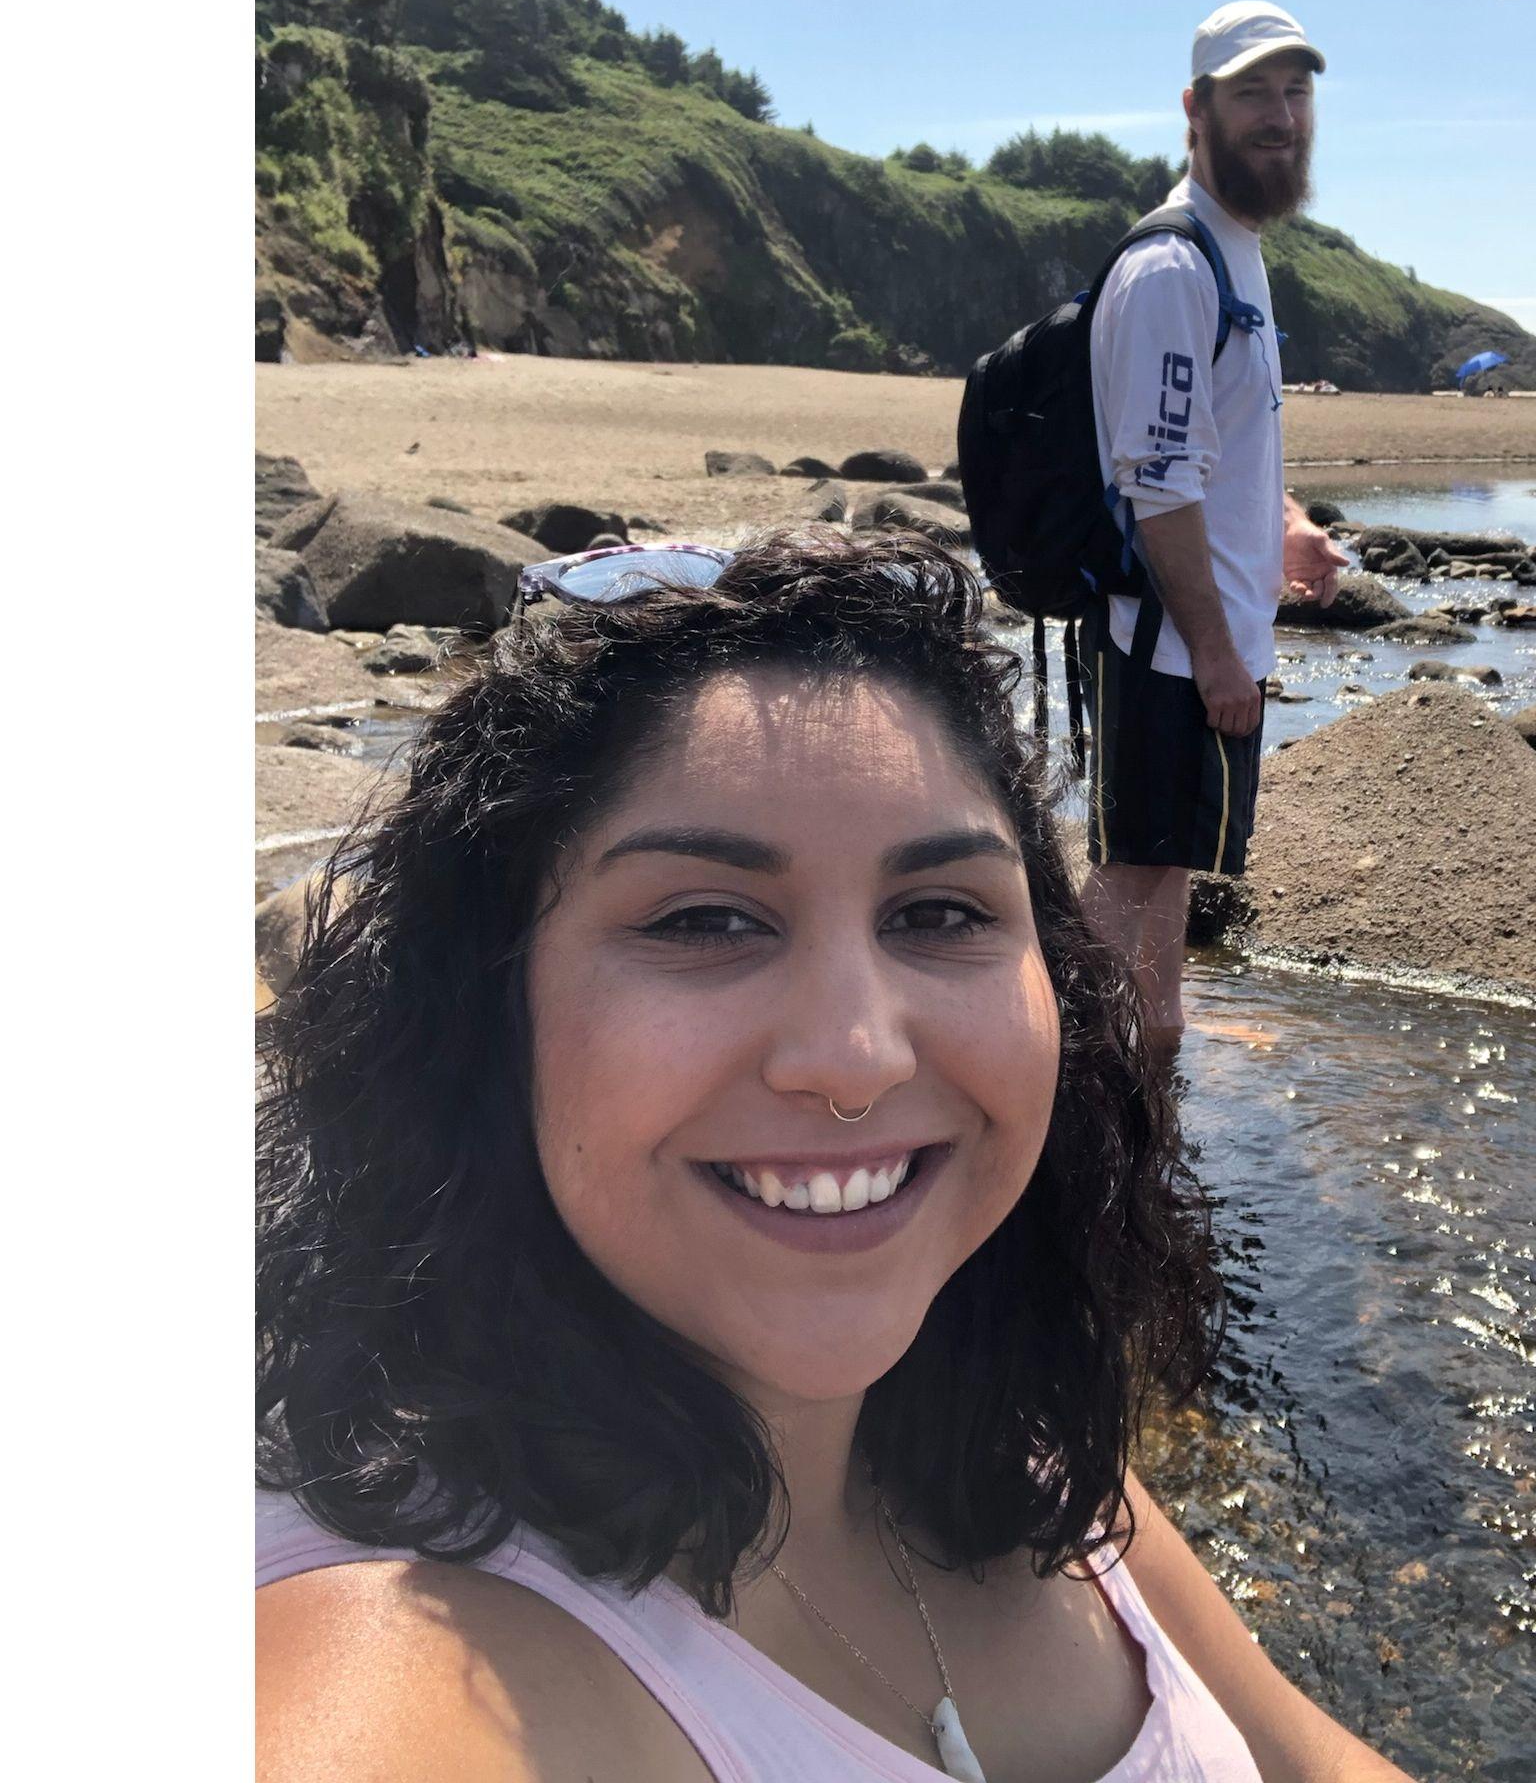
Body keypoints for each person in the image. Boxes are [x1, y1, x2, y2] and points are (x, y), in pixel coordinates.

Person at [255, 530, 1416, 1783]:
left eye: (938, 913)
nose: (853, 1056)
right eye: (705, 919)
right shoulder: (421, 1663)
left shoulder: (1016, 1447)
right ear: (487, 1009)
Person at [1080, 0, 1351, 1048]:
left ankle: (1146, 1077)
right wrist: (1211, 653)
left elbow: (1218, 445)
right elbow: (1154, 480)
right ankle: (1082, 1103)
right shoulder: (1170, 268)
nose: (1280, 115)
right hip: (1163, 643)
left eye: (1294, 91)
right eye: (1252, 93)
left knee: (1166, 872)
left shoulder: (1237, 248)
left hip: (1206, 641)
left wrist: (1283, 529)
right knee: (1131, 873)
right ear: (1194, 109)